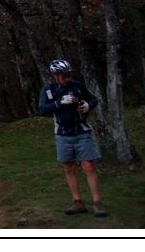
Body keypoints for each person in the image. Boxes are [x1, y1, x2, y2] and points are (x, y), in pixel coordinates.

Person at [39, 59, 107, 217]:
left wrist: (88, 106)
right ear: (55, 75)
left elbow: (93, 99)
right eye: (64, 76)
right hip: (62, 134)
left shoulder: (77, 86)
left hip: (81, 131)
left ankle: (97, 203)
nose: (67, 78)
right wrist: (59, 103)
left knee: (88, 165)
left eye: (69, 75)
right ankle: (77, 202)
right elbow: (42, 109)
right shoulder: (48, 90)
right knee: (69, 167)